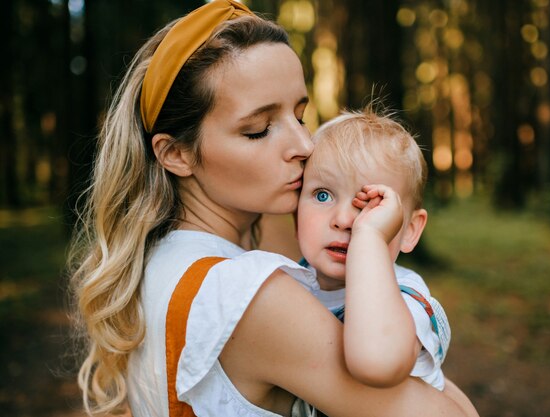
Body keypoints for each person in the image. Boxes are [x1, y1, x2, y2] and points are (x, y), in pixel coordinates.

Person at [68, 1, 475, 416]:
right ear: (176, 154)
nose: (303, 145)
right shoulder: (248, 297)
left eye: (300, 116)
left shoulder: (161, 261)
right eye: (258, 129)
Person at [296, 109, 451, 392]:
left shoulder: (406, 300)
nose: (343, 220)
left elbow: (378, 361)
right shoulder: (289, 280)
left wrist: (369, 237)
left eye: (371, 205)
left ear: (410, 230)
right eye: (322, 195)